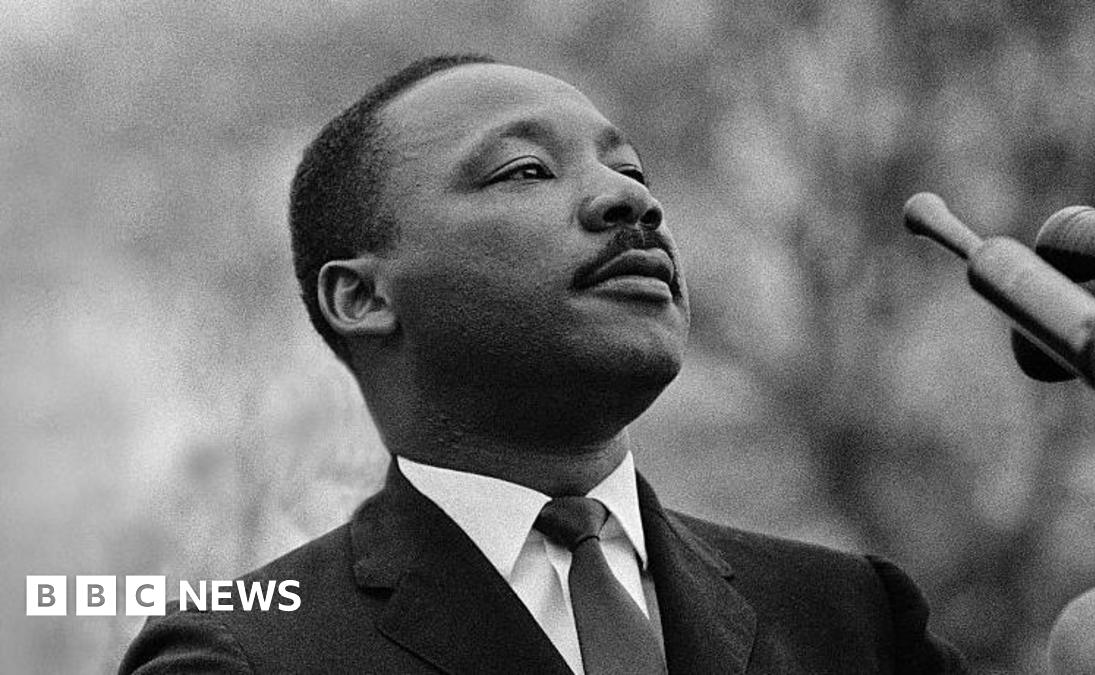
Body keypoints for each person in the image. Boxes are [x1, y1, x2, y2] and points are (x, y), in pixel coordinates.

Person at [120, 54, 965, 674]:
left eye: (629, 167)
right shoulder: (243, 654)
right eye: (525, 170)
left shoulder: (851, 617)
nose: (632, 198)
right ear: (364, 298)